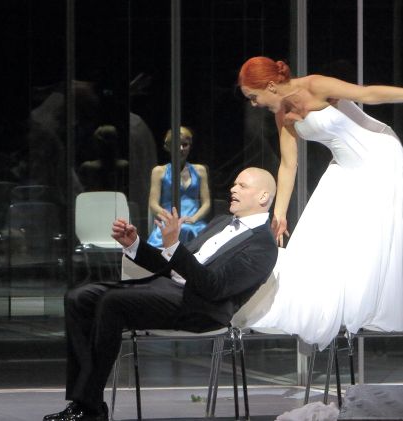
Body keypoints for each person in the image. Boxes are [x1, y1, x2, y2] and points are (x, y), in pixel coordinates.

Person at [238, 56, 403, 348]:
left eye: (254, 96)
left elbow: (367, 94)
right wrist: (279, 214)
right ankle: (322, 310)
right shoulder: (283, 114)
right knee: (317, 231)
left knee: (367, 236)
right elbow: (288, 165)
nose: (254, 104)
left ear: (271, 86)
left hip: (379, 156)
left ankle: (362, 310)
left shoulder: (315, 85)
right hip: (344, 164)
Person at [43, 167, 278, 421]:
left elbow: (215, 287)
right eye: (234, 184)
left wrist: (174, 246)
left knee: (113, 302)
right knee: (78, 298)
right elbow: (175, 266)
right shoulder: (221, 222)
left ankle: (89, 409)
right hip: (169, 289)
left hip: (201, 309)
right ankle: (84, 403)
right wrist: (135, 245)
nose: (233, 189)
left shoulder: (263, 245)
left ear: (263, 196)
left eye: (242, 186)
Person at [146, 126, 211, 247]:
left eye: (185, 145)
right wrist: (171, 219)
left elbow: (206, 203)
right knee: (181, 230)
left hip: (194, 223)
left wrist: (194, 218)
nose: (181, 149)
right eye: (177, 145)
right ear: (168, 147)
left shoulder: (200, 170)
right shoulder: (159, 171)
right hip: (169, 222)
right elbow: (153, 204)